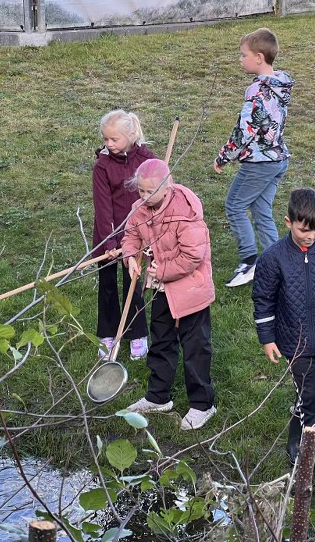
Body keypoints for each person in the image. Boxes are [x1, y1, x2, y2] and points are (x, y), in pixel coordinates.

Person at [252, 188, 315, 486]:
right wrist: (267, 337)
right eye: (303, 230)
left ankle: (294, 441)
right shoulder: (273, 258)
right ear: (288, 222)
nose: (310, 236)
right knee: (312, 400)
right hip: (293, 343)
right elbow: (263, 300)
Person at [121, 159, 217, 431]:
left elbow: (193, 255)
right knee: (161, 340)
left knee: (195, 347)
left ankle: (202, 405)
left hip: (190, 290)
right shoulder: (140, 209)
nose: (144, 196)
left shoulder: (185, 213)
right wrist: (130, 256)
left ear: (168, 187)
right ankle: (158, 396)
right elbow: (130, 235)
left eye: (150, 191)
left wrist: (162, 269)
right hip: (160, 289)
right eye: (140, 190)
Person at [214, 27, 293, 288]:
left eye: (243, 55)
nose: (240, 59)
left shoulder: (257, 91)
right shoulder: (280, 85)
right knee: (261, 211)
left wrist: (224, 156)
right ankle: (277, 265)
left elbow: (245, 130)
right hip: (277, 159)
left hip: (259, 163)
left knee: (234, 205)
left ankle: (249, 262)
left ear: (259, 58)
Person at [92, 109, 155, 361]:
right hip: (107, 233)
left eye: (114, 139)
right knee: (107, 284)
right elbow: (103, 207)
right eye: (105, 139)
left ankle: (136, 333)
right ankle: (108, 333)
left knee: (133, 283)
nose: (108, 144)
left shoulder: (147, 160)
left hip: (137, 235)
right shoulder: (103, 166)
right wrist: (110, 241)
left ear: (130, 135)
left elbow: (158, 191)